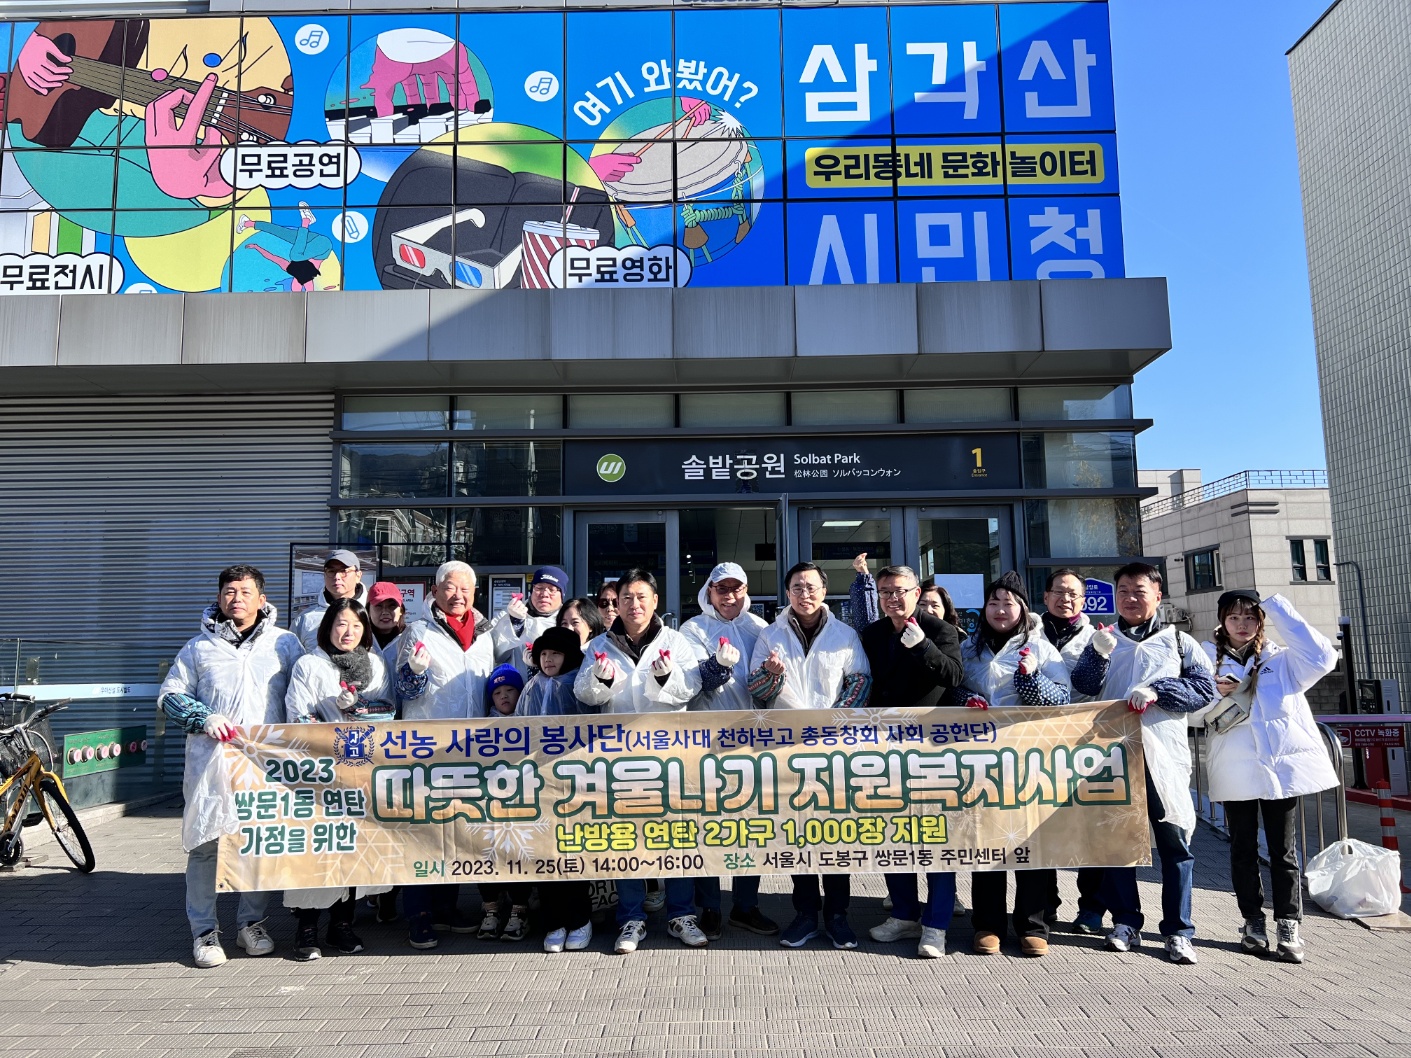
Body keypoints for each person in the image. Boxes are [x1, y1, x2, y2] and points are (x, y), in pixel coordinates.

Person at [1071, 562, 1216, 965]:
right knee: (1120, 844)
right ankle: (1125, 921)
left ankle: (1179, 930)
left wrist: (1158, 690)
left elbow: (1203, 690)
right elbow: (1083, 686)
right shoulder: (1104, 639)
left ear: (1157, 595)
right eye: (1123, 591)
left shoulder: (1179, 642)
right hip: (1113, 757)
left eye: (1139, 590)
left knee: (1174, 844)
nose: (1130, 598)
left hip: (1164, 758)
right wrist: (1097, 655)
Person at [158, 565, 302, 969]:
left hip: (264, 764)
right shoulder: (198, 648)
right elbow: (170, 695)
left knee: (258, 843)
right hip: (212, 764)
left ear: (262, 599)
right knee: (206, 846)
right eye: (229, 592)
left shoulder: (284, 644)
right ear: (219, 598)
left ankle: (251, 923)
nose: (236, 598)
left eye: (245, 591)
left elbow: (305, 691)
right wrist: (203, 717)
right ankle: (204, 931)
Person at [573, 569, 706, 954]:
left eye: (641, 596)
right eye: (626, 598)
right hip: (620, 757)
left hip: (669, 755)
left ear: (655, 601)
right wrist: (601, 680)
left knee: (677, 835)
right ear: (617, 603)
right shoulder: (601, 643)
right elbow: (585, 693)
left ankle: (682, 915)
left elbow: (691, 687)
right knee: (625, 838)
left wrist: (665, 678)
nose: (633, 604)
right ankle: (631, 918)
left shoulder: (675, 641)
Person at [1201, 590, 1338, 964]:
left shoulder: (1282, 660)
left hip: (1280, 770)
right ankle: (1252, 922)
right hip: (1235, 767)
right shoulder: (1206, 659)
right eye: (1233, 617)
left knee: (1283, 851)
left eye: (1250, 617)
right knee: (1242, 849)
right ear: (1222, 621)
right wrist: (1216, 693)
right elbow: (1193, 713)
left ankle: (1289, 924)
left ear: (1261, 621)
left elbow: (1324, 657)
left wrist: (1278, 606)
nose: (1242, 624)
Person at [748, 561, 872, 950]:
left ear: (824, 591)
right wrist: (771, 674)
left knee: (835, 836)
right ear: (787, 593)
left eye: (812, 587)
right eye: (798, 588)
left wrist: (832, 722)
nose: (805, 594)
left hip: (834, 750)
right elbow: (757, 692)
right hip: (788, 751)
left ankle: (838, 916)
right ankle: (805, 915)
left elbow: (860, 681)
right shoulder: (770, 635)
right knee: (798, 834)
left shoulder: (844, 634)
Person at [953, 571, 1071, 957]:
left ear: (1022, 608)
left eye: (1009, 603)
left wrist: (1030, 678)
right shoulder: (969, 647)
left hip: (1028, 760)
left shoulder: (1040, 647)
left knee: (1031, 842)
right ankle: (987, 924)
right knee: (986, 842)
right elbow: (953, 688)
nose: (1000, 610)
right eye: (994, 602)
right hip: (980, 761)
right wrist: (965, 700)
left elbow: (1062, 698)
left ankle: (1033, 926)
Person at [282, 599, 396, 960]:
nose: (349, 632)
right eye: (342, 624)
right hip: (319, 770)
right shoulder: (309, 664)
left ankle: (342, 924)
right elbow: (297, 716)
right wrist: (330, 725)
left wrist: (358, 708)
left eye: (357, 625)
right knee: (316, 847)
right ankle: (306, 927)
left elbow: (389, 711)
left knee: (353, 847)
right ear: (328, 627)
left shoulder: (375, 665)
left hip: (361, 769)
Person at [861, 565, 965, 958]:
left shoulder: (940, 630)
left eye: (899, 591)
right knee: (894, 834)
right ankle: (904, 913)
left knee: (938, 836)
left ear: (916, 593)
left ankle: (936, 925)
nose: (892, 598)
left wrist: (922, 645)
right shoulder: (872, 633)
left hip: (932, 750)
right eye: (885, 592)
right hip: (885, 749)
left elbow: (954, 676)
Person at [395, 560, 496, 949]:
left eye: (465, 589)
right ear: (434, 591)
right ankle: (418, 914)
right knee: (423, 832)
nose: (458, 596)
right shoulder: (419, 631)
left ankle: (446, 907)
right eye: (450, 588)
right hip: (427, 750)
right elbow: (404, 688)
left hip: (473, 751)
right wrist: (416, 672)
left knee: (455, 828)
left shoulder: (485, 634)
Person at [679, 562, 778, 939]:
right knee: (707, 826)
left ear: (746, 590)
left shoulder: (760, 627)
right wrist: (716, 667)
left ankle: (745, 905)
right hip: (706, 740)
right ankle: (709, 907)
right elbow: (693, 682)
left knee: (750, 825)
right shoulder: (693, 629)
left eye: (736, 588)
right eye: (722, 589)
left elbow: (769, 683)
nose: (730, 596)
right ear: (710, 590)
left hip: (751, 739)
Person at [517, 628, 596, 954]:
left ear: (570, 656)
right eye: (543, 654)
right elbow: (517, 729)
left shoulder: (581, 685)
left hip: (576, 782)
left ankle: (580, 920)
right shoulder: (532, 686)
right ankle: (554, 922)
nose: (548, 660)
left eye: (556, 653)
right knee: (545, 852)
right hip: (540, 782)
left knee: (573, 852)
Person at [1038, 569, 1106, 935]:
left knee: (1088, 828)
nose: (1065, 599)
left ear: (1083, 600)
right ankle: (1045, 904)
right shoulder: (1029, 633)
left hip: (1084, 744)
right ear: (1045, 596)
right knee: (1040, 826)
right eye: (1058, 592)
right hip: (1035, 743)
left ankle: (1091, 908)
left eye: (1073, 594)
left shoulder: (1098, 637)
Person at [475, 665, 534, 942]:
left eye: (511, 690)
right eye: (497, 692)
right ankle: (491, 909)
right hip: (488, 803)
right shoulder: (478, 727)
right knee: (481, 848)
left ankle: (520, 910)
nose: (504, 696)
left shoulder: (534, 722)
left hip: (524, 801)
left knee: (520, 850)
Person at [490, 565, 569, 677]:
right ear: (531, 590)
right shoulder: (508, 614)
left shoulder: (567, 621)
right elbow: (494, 654)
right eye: (539, 588)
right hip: (513, 685)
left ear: (562, 595)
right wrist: (513, 624)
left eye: (552, 590)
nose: (544, 594)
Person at [292, 550, 366, 652]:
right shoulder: (304, 619)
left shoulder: (373, 613)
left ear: (358, 576)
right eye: (331, 571)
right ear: (324, 575)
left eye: (344, 571)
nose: (337, 577)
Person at [366, 581, 407, 662]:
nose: (385, 612)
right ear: (368, 611)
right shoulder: (359, 639)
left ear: (401, 610)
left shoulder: (410, 638)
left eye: (392, 606)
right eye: (379, 606)